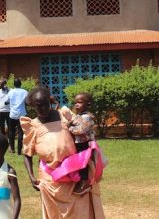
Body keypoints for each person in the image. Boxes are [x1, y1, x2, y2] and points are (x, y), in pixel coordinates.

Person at [21, 87, 105, 219]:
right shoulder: (32, 126)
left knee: (81, 211)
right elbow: (27, 154)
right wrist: (31, 177)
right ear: (32, 106)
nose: (43, 108)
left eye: (45, 104)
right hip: (50, 180)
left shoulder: (64, 115)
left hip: (74, 176)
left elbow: (83, 128)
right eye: (38, 106)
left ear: (50, 102)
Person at [62, 93, 97, 195]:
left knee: (83, 165)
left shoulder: (87, 117)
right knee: (79, 163)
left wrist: (69, 127)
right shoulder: (79, 115)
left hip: (85, 144)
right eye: (75, 102)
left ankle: (85, 183)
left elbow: (80, 131)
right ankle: (79, 181)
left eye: (80, 102)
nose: (77, 104)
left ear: (88, 104)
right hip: (79, 143)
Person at [7, 78, 28, 155]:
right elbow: (27, 101)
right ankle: (19, 151)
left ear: (14, 84)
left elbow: (7, 101)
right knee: (20, 132)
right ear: (20, 84)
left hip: (12, 114)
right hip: (21, 114)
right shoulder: (25, 92)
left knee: (11, 131)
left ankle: (12, 148)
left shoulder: (10, 92)